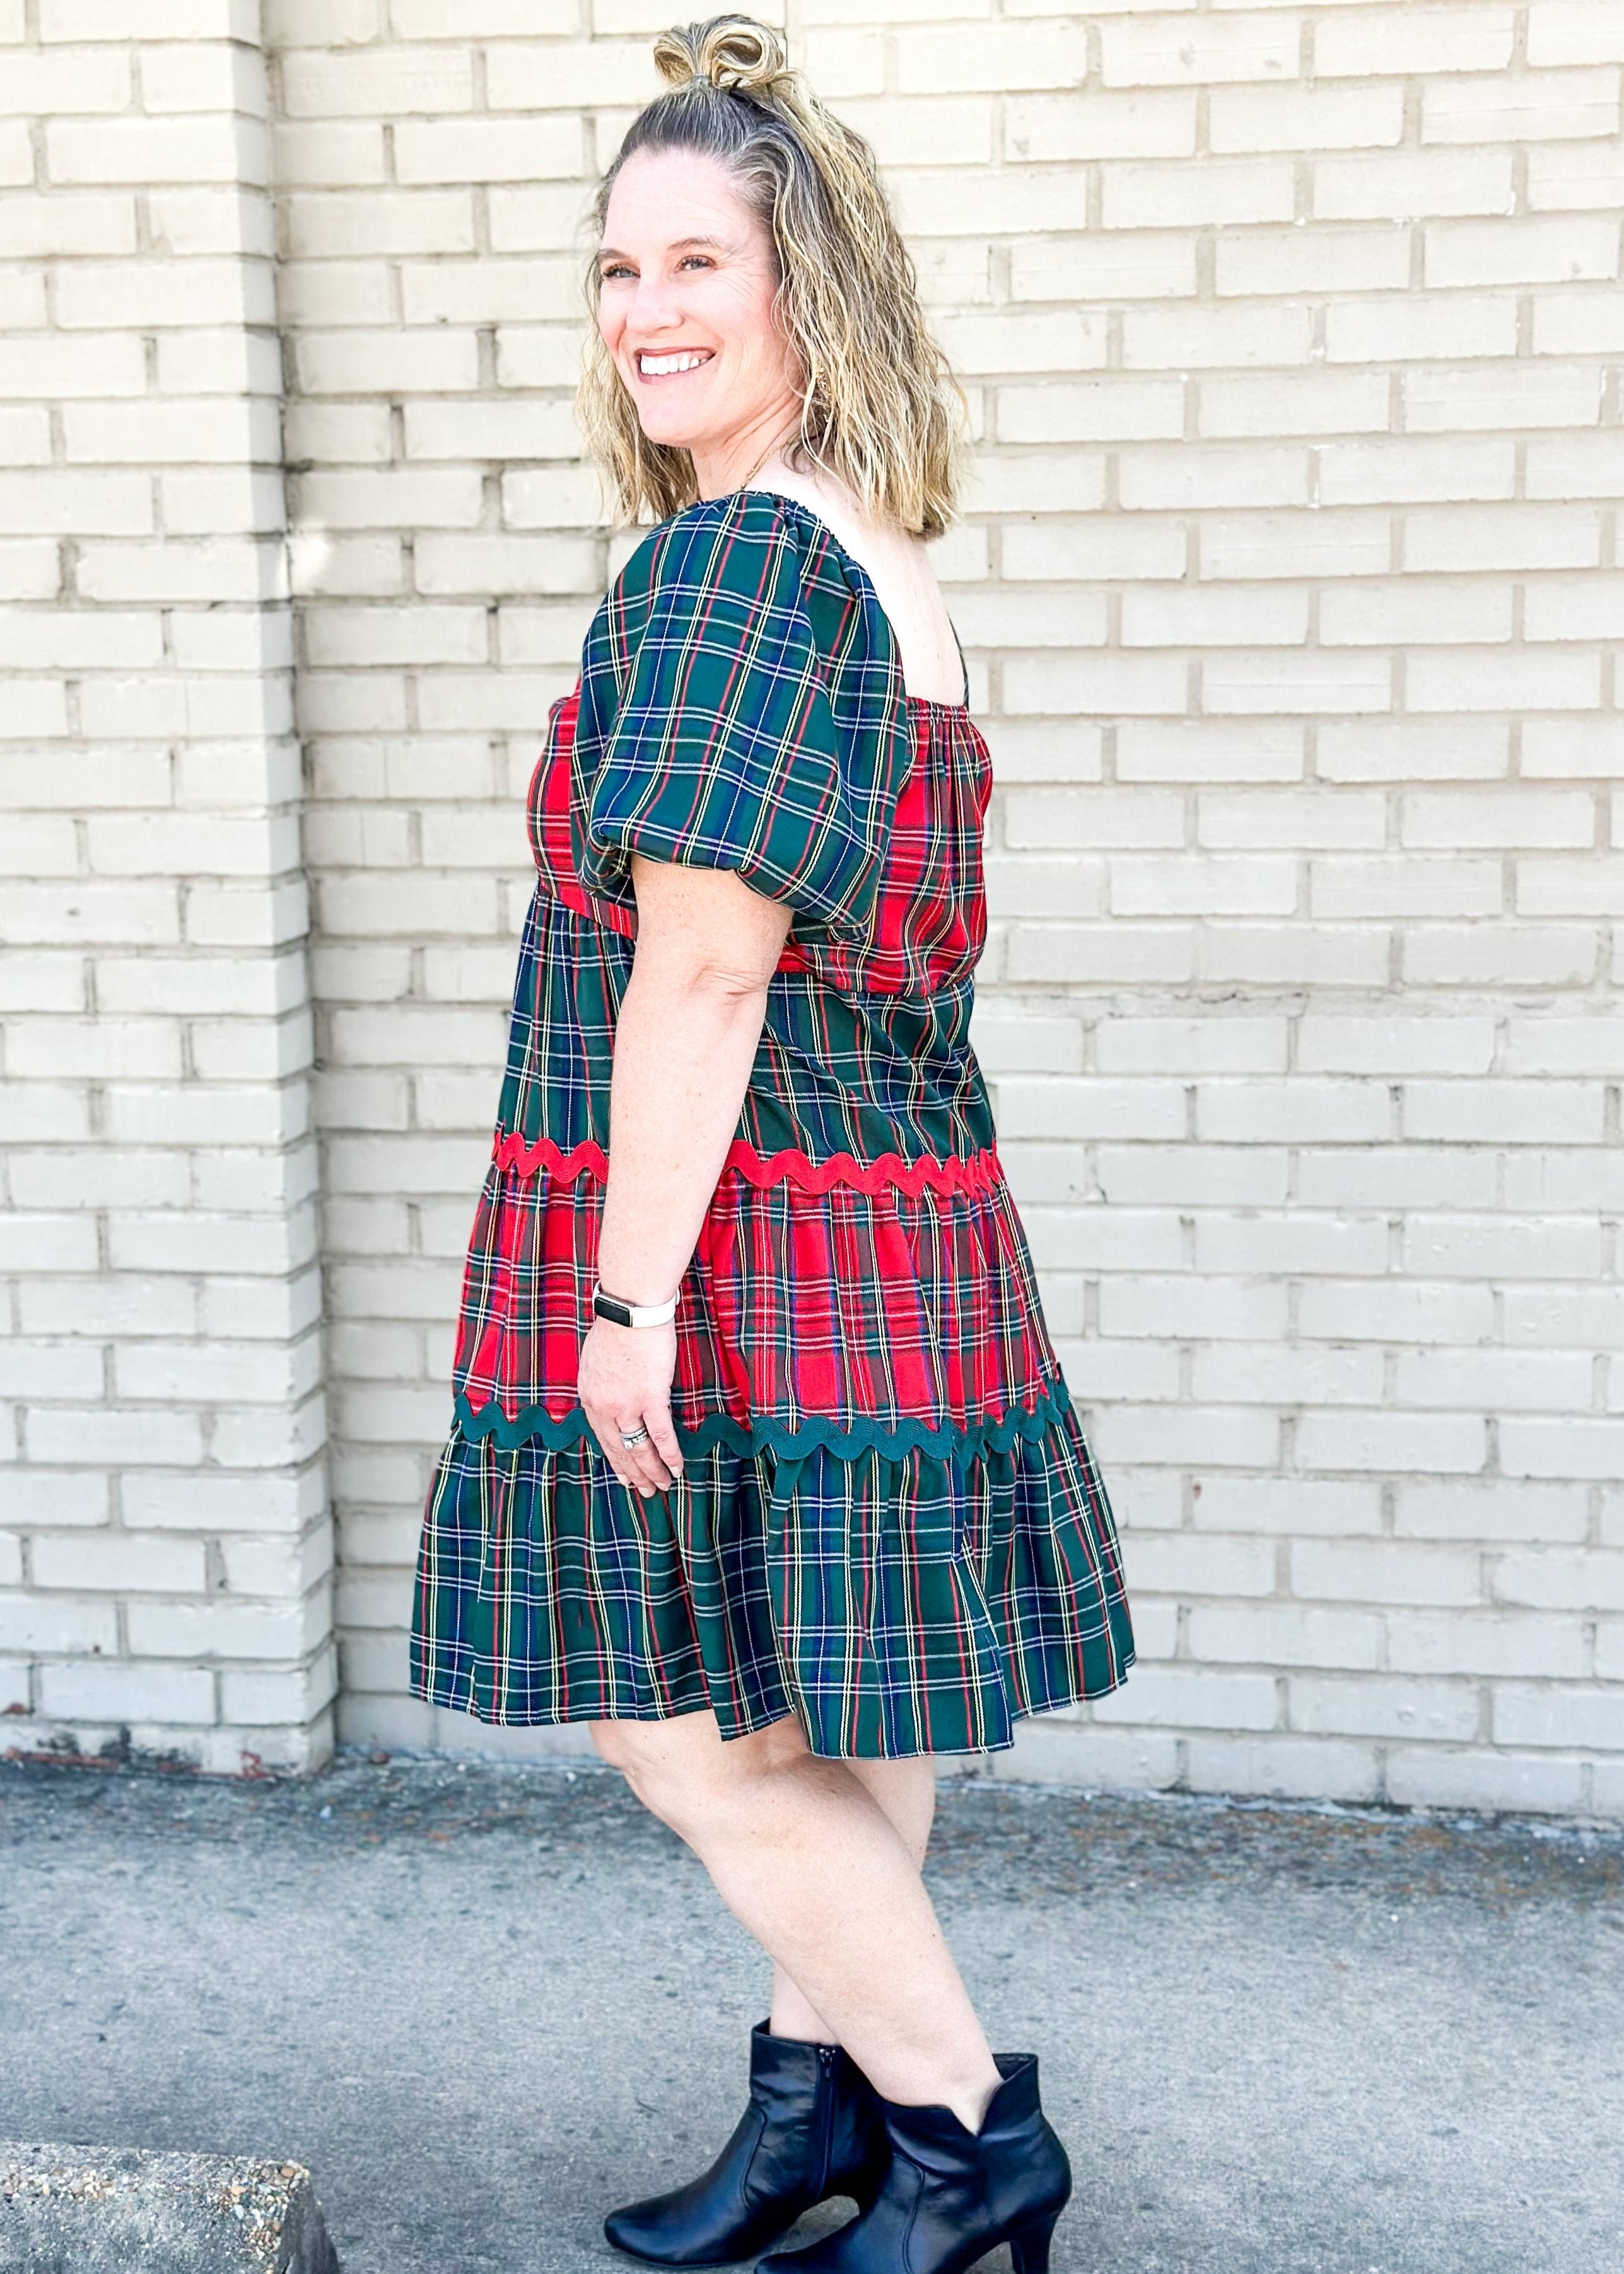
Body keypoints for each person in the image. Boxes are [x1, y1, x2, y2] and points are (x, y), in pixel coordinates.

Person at [409, 18, 1135, 2271]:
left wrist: (620, 1302)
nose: (646, 311)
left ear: (811, 288)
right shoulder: (871, 553)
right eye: (615, 268)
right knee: (827, 1696)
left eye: (699, 260)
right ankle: (813, 2112)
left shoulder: (730, 570)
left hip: (757, 1247)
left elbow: (705, 973)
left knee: (677, 1724)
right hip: (902, 1226)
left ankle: (962, 2136)